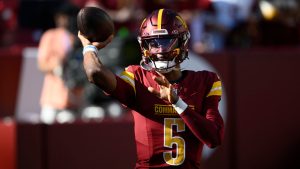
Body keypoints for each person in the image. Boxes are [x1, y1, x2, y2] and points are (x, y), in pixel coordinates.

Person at [78, 8, 224, 168]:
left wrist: (178, 103)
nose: (160, 50)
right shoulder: (137, 78)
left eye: (166, 41)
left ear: (182, 42)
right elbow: (94, 72)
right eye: (153, 43)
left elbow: (214, 138)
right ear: (144, 45)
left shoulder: (206, 81)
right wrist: (89, 47)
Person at [37, 3, 81, 124]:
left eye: (66, 17)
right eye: (61, 17)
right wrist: (57, 65)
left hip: (72, 99)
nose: (62, 20)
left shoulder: (78, 39)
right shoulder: (50, 36)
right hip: (52, 97)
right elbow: (41, 64)